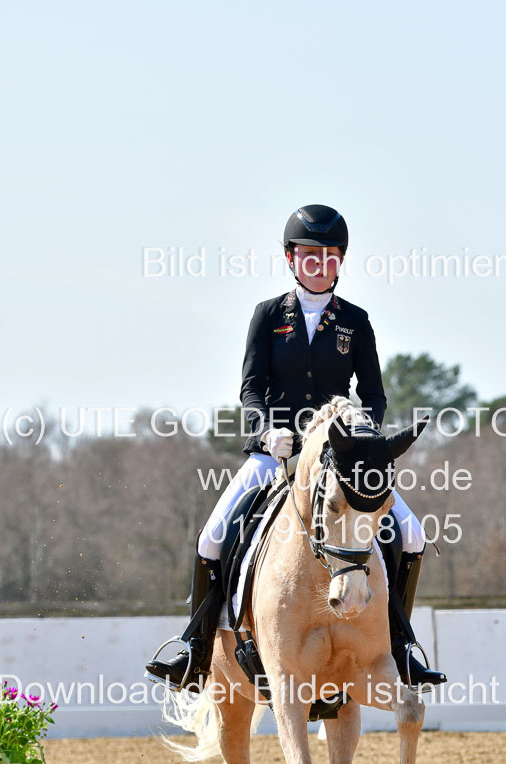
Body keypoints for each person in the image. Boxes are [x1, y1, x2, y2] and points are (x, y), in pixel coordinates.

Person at [145, 205, 446, 692]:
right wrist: (266, 431)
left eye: (329, 257)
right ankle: (195, 650)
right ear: (291, 258)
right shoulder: (268, 315)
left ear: (340, 262)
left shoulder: (355, 320)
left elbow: (374, 394)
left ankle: (402, 645)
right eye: (309, 255)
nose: (318, 264)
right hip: (275, 453)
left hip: (337, 457)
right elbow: (251, 388)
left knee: (409, 534)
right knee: (211, 537)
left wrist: (362, 434)